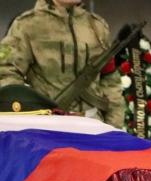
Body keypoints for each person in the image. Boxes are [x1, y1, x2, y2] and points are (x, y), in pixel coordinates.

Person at [0, 0, 124, 128]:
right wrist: (26, 116)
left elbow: (110, 78)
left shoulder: (97, 26)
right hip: (47, 126)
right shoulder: (27, 25)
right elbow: (6, 72)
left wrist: (113, 125)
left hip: (93, 125)